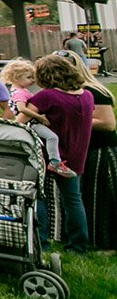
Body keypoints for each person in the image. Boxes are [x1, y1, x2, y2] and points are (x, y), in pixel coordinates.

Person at [16, 54, 94, 253]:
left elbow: (20, 122)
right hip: (75, 156)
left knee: (39, 198)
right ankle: (78, 246)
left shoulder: (46, 96)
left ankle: (42, 242)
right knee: (73, 201)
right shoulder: (86, 95)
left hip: (46, 157)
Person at [54, 50, 116, 250]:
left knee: (99, 199)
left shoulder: (92, 90)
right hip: (76, 151)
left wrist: (71, 123)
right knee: (80, 197)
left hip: (98, 151)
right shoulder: (65, 91)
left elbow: (108, 123)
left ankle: (103, 243)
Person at [0, 59, 75, 177]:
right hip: (31, 123)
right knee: (52, 137)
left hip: (31, 121)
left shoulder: (17, 90)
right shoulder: (20, 93)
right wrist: (39, 117)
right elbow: (22, 109)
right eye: (29, 77)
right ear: (16, 78)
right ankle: (55, 161)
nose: (32, 80)